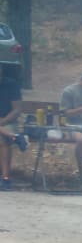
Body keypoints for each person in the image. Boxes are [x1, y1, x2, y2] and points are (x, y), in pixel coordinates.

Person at [0, 62, 27, 190]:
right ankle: (15, 137)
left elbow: (17, 110)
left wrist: (4, 121)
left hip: (8, 121)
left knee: (3, 140)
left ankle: (5, 178)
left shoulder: (11, 85)